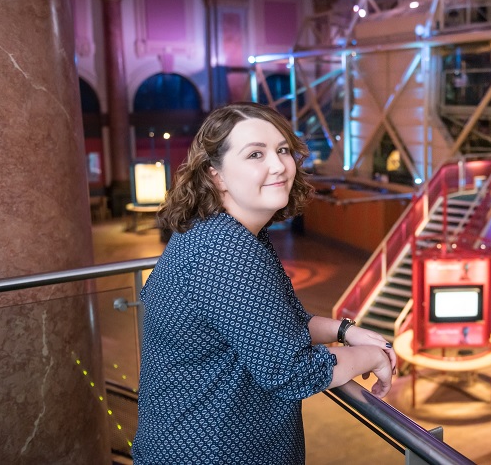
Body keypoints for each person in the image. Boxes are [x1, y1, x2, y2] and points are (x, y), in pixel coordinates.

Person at [132, 102, 396, 464]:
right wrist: (373, 357)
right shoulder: (225, 249)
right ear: (215, 174)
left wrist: (344, 331)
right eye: (256, 154)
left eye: (283, 149)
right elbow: (292, 372)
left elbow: (272, 323)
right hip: (210, 451)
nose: (278, 165)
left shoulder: (224, 232)